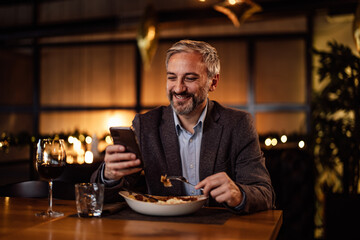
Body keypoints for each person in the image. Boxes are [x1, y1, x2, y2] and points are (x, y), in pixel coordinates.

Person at [91, 39, 275, 214]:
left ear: (213, 82)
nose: (178, 88)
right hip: (163, 232)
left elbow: (265, 195)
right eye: (172, 77)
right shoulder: (146, 125)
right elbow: (104, 195)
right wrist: (109, 176)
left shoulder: (238, 125)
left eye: (190, 78)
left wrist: (239, 195)